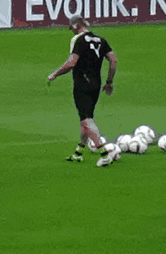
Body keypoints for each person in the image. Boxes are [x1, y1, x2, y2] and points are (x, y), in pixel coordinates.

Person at [49, 22, 116, 158]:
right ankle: (79, 152)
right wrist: (109, 82)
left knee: (86, 119)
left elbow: (71, 63)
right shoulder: (101, 40)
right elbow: (113, 61)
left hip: (82, 83)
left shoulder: (78, 40)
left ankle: (104, 154)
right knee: (86, 118)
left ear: (75, 26)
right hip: (96, 84)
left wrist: (55, 74)